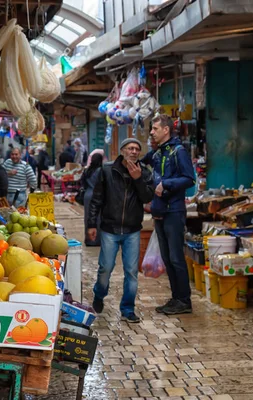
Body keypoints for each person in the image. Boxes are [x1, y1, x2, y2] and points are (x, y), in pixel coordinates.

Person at [87, 138, 155, 323]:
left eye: (137, 149)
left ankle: (127, 309)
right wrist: (91, 224)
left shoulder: (145, 172)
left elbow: (148, 197)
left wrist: (138, 179)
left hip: (132, 230)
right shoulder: (107, 170)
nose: (134, 151)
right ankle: (99, 295)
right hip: (110, 228)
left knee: (131, 272)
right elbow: (96, 199)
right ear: (122, 150)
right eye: (130, 148)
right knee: (105, 268)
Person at [149, 114, 196, 315]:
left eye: (155, 128)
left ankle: (184, 300)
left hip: (174, 212)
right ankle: (176, 298)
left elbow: (189, 179)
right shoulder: (159, 153)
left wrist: (166, 184)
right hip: (160, 211)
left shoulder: (178, 152)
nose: (152, 132)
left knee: (176, 257)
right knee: (167, 258)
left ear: (166, 130)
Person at [82, 153, 103, 247]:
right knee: (98, 217)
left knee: (88, 217)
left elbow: (82, 183)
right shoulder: (101, 171)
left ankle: (89, 239)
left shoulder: (87, 171)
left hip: (87, 194)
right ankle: (97, 239)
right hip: (98, 195)